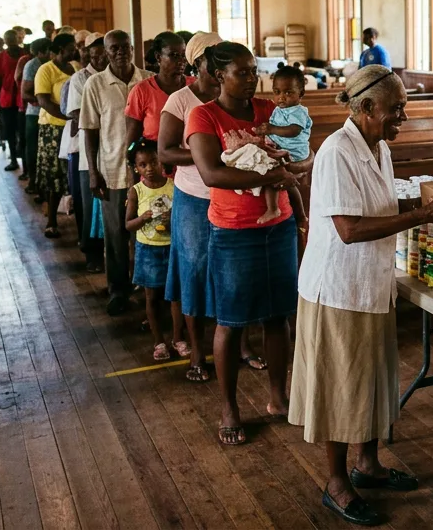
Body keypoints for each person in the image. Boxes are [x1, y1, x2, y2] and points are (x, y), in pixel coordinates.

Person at [290, 64, 433, 525]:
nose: (403, 119)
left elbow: (384, 208)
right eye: (396, 110)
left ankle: (367, 464)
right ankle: (336, 484)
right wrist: (423, 215)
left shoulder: (378, 146)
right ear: (366, 107)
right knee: (340, 386)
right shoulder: (337, 152)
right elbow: (349, 228)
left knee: (370, 380)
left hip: (370, 284)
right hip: (338, 287)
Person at [186, 41, 302, 446]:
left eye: (254, 71)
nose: (252, 78)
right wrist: (270, 178)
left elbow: (289, 150)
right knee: (232, 321)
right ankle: (229, 408)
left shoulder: (268, 111)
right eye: (242, 72)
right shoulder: (203, 115)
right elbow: (212, 174)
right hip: (234, 231)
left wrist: (290, 166)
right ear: (219, 76)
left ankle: (278, 396)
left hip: (278, 224)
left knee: (278, 315)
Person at [160, 31, 224, 383]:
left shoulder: (230, 96)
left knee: (228, 271)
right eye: (212, 59)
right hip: (194, 198)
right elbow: (165, 151)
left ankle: (237, 345)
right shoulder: (181, 101)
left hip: (230, 196)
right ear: (195, 63)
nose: (219, 67)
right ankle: (198, 353)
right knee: (195, 273)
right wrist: (207, 156)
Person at [82, 30, 155, 316]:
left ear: (133, 48)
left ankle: (147, 286)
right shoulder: (96, 84)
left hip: (148, 171)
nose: (120, 52)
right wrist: (92, 171)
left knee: (148, 230)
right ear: (105, 51)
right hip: (111, 169)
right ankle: (117, 289)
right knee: (115, 233)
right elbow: (89, 130)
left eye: (125, 47)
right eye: (114, 48)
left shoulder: (148, 79)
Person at [125, 140, 184, 361]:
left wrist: (172, 220)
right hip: (148, 250)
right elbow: (128, 225)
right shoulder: (136, 191)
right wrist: (142, 218)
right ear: (136, 168)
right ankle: (159, 342)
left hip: (171, 248)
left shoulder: (173, 186)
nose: (149, 168)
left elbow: (182, 218)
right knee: (152, 298)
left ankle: (178, 338)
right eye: (142, 165)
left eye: (153, 162)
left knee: (175, 297)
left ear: (162, 160)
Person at [68, 33, 109, 273]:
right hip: (89, 154)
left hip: (114, 150)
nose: (101, 59)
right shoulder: (80, 79)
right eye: (96, 55)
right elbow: (77, 115)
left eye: (104, 53)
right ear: (90, 55)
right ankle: (92, 254)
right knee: (89, 206)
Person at [254, 64, 313, 224]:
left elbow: (293, 130)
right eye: (277, 92)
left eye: (288, 92)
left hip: (293, 153)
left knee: (275, 175)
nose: (281, 97)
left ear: (300, 94)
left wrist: (271, 129)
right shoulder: (280, 109)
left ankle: (288, 212)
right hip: (282, 150)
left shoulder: (298, 111)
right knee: (270, 173)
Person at [34, 34, 78, 239]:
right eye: (71, 48)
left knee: (75, 173)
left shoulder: (76, 68)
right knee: (55, 175)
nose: (74, 51)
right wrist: (68, 117)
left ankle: (79, 219)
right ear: (60, 50)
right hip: (53, 128)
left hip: (76, 127)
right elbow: (43, 100)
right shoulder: (46, 70)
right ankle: (51, 220)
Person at [126, 32, 191, 145]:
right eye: (174, 55)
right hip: (155, 160)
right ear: (158, 57)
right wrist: (130, 160)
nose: (181, 60)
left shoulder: (194, 86)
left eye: (183, 55)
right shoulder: (142, 91)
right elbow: (132, 140)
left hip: (193, 160)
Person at [0, 29, 27, 170]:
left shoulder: (26, 54)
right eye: (8, 39)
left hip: (23, 98)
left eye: (13, 38)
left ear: (18, 39)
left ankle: (26, 164)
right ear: (4, 41)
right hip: (6, 99)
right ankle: (13, 159)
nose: (11, 41)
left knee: (23, 132)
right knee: (10, 131)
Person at [19, 38, 52, 193]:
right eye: (49, 50)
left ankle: (43, 185)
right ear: (41, 52)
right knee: (33, 150)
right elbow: (25, 93)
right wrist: (43, 101)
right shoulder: (32, 65)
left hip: (48, 114)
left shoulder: (48, 64)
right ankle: (33, 182)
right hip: (34, 114)